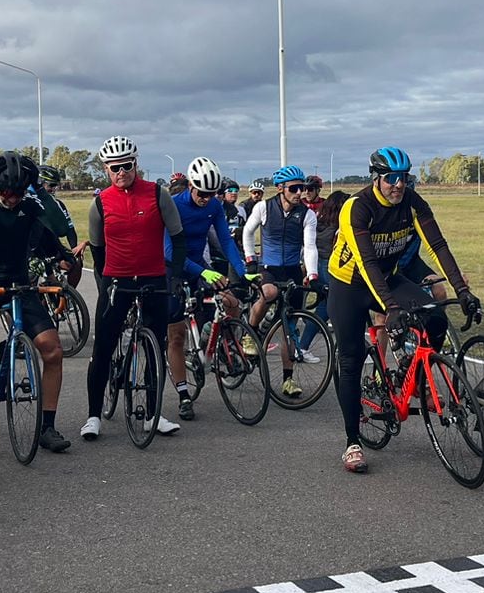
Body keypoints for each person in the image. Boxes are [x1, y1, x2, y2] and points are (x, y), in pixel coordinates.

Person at [324, 147, 480, 473]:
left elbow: (438, 246)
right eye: (391, 178)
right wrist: (391, 308)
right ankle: (352, 441)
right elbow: (367, 264)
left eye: (404, 178)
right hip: (351, 283)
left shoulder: (412, 202)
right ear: (376, 179)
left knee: (435, 317)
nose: (398, 185)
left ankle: (414, 373)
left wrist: (462, 290)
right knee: (351, 358)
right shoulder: (357, 207)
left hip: (389, 278)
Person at [0, 152, 78, 461]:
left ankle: (47, 427)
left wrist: (35, 188)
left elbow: (55, 226)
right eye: (7, 191)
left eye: (19, 192)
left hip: (21, 285)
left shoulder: (28, 203)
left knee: (52, 351)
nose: (12, 198)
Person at [80, 136, 184, 441]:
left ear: (135, 164)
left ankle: (153, 414)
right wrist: (104, 283)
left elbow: (178, 238)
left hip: (153, 278)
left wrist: (174, 277)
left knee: (156, 347)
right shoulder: (100, 202)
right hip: (117, 280)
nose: (121, 172)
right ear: (106, 169)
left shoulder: (157, 194)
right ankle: (93, 416)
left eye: (126, 166)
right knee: (103, 348)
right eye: (115, 168)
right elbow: (97, 250)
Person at [166, 156, 248, 419]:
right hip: (174, 267)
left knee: (232, 302)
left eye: (211, 193)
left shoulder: (214, 205)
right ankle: (183, 394)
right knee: (176, 335)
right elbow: (168, 251)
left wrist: (244, 273)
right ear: (190, 185)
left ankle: (220, 344)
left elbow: (225, 239)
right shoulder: (174, 205)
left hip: (199, 264)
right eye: (202, 192)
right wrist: (203, 271)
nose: (206, 198)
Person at [243, 164, 320, 399]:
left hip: (292, 271)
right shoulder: (264, 207)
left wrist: (313, 273)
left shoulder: (307, 214)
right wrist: (250, 260)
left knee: (289, 327)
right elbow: (247, 232)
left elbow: (309, 246)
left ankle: (288, 380)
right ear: (280, 189)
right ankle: (250, 332)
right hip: (270, 268)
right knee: (268, 293)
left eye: (302, 188)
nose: (300, 193)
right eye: (295, 188)